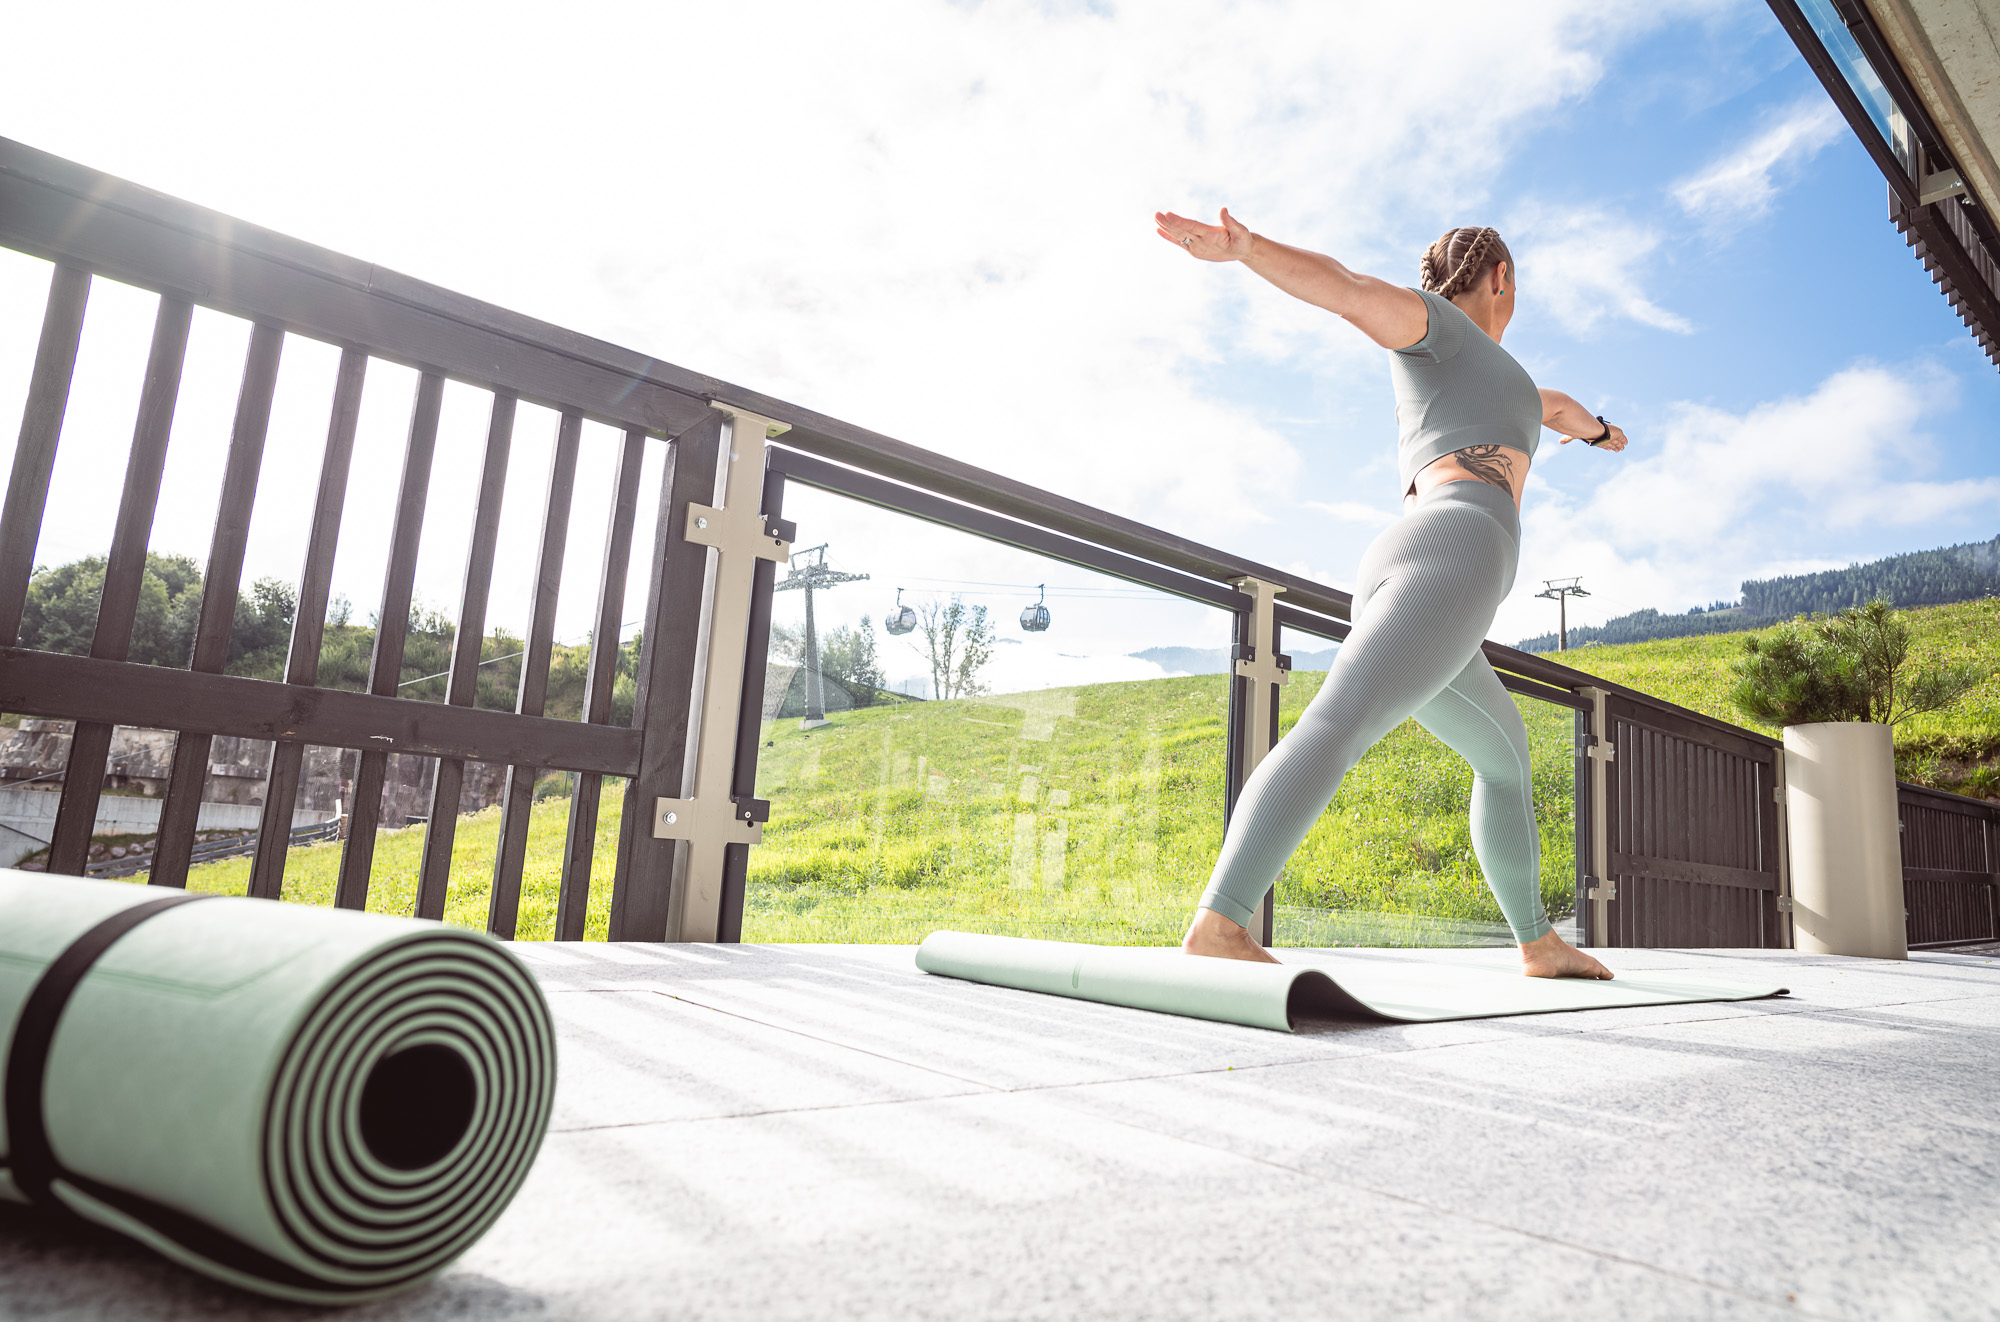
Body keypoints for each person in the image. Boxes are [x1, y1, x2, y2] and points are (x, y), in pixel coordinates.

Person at [1152, 208, 1622, 979]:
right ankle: (1221, 921)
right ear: (1504, 278)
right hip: (1453, 553)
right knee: (1340, 721)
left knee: (1505, 760)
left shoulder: (1506, 385)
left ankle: (1539, 944)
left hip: (1428, 569)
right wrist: (1248, 250)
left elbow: (1559, 408)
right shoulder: (1437, 328)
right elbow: (1348, 289)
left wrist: (1602, 432)